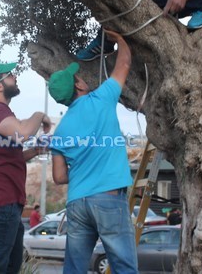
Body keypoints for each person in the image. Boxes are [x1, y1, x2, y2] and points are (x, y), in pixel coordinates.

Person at [49, 30, 138, 273]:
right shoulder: (101, 99)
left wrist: (84, 170)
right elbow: (124, 63)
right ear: (78, 85)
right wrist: (119, 39)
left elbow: (59, 177)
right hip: (108, 199)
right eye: (78, 77)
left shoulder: (60, 131)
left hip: (77, 204)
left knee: (75, 268)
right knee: (124, 267)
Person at [0, 60, 52, 274]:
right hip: (1, 200)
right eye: (9, 74)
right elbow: (22, 133)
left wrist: (35, 151)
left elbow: (8, 157)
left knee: (9, 267)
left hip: (7, 202)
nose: (15, 77)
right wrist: (39, 114)